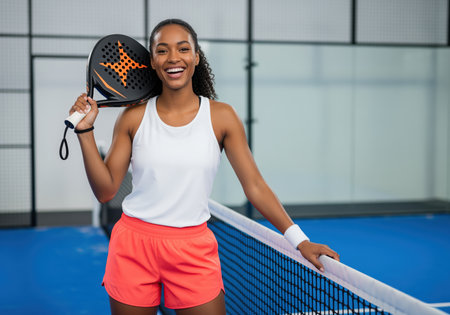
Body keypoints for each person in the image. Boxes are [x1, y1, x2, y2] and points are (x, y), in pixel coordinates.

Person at [69, 18, 340, 315]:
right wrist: (85, 132)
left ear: (196, 57)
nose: (173, 57)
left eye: (183, 48)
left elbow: (255, 186)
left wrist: (300, 241)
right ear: (152, 62)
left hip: (193, 248)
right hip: (133, 245)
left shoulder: (222, 117)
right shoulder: (133, 117)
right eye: (162, 50)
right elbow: (106, 191)